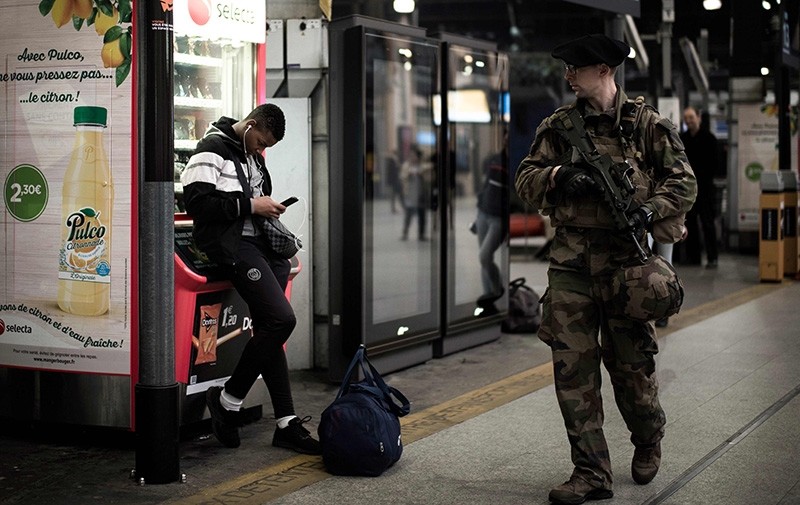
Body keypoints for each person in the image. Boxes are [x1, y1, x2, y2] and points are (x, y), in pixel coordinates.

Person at [514, 34, 696, 504]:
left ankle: (648, 435)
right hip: (571, 265)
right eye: (567, 69)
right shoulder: (558, 127)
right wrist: (558, 176)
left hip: (626, 265)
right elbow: (525, 180)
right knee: (572, 371)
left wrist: (649, 209)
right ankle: (591, 473)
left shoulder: (647, 125)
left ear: (605, 71)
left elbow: (684, 182)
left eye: (577, 68)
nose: (568, 76)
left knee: (632, 369)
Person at [180, 103, 321, 455]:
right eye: (261, 142)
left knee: (269, 327)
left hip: (260, 246)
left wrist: (266, 206)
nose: (262, 150)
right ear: (251, 124)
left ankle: (285, 422)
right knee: (282, 320)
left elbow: (250, 200)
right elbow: (197, 203)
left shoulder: (252, 155)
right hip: (232, 247)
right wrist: (251, 206)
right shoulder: (211, 149)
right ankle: (227, 400)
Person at [680, 106, 719, 268]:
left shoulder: (709, 139)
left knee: (708, 223)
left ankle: (712, 257)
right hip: (688, 188)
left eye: (691, 117)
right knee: (691, 223)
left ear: (699, 117)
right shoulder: (683, 139)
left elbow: (716, 165)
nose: (689, 121)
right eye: (686, 118)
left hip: (705, 188)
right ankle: (693, 257)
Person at [473, 135, 509, 314]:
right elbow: (485, 185)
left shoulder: (518, 161)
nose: (506, 140)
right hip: (483, 213)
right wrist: (477, 211)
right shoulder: (493, 159)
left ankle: (497, 291)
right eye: (505, 137)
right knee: (485, 261)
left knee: (484, 256)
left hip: (498, 218)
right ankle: (489, 302)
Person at [400, 145, 430, 241]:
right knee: (408, 215)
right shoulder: (406, 166)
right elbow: (402, 177)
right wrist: (409, 174)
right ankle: (405, 232)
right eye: (411, 155)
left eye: (415, 156)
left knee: (422, 215)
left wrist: (422, 174)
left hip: (421, 194)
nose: (413, 158)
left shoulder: (423, 166)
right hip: (410, 194)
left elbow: (429, 178)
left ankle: (421, 234)